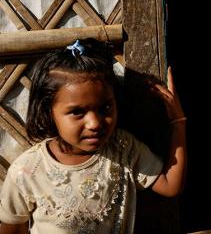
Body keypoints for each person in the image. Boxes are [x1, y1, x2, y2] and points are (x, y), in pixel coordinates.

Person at [0, 38, 187, 234]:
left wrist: (178, 122)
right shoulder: (27, 171)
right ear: (48, 112)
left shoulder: (123, 148)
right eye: (77, 112)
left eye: (105, 107)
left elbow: (170, 185)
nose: (95, 123)